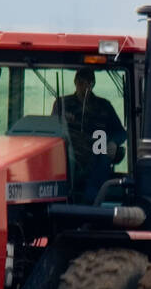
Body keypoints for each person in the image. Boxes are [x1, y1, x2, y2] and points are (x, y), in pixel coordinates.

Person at [52, 68, 128, 203]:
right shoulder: (62, 104)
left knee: (103, 158)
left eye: (88, 83)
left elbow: (121, 132)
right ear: (75, 82)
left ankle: (91, 203)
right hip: (70, 151)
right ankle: (64, 200)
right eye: (81, 82)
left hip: (97, 150)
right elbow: (52, 129)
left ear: (93, 84)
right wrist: (63, 120)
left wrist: (113, 142)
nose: (84, 86)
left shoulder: (104, 106)